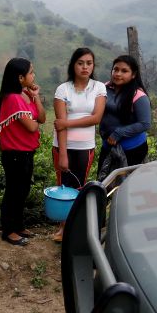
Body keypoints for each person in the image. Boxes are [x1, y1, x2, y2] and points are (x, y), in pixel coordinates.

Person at [51, 47, 107, 242]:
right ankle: (62, 226)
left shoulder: (99, 87)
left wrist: (68, 122)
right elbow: (60, 123)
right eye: (80, 63)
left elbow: (96, 118)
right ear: (73, 65)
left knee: (78, 186)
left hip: (86, 147)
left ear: (93, 66)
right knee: (63, 186)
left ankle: (72, 226)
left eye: (89, 63)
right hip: (63, 146)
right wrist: (64, 153)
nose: (85, 67)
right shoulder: (63, 89)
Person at [0, 57, 46, 246]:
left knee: (22, 191)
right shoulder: (14, 99)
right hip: (15, 154)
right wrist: (36, 122)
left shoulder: (24, 95)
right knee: (14, 192)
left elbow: (42, 118)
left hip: (25, 152)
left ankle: (18, 225)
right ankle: (9, 231)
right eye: (31, 72)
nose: (34, 75)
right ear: (20, 77)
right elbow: (32, 127)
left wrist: (36, 96)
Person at [97, 54, 152, 180]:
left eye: (124, 71)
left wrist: (119, 133)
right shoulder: (105, 88)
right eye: (115, 69)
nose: (118, 74)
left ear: (133, 75)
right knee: (104, 182)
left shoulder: (138, 96)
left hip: (132, 150)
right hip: (108, 146)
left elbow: (145, 123)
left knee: (126, 185)